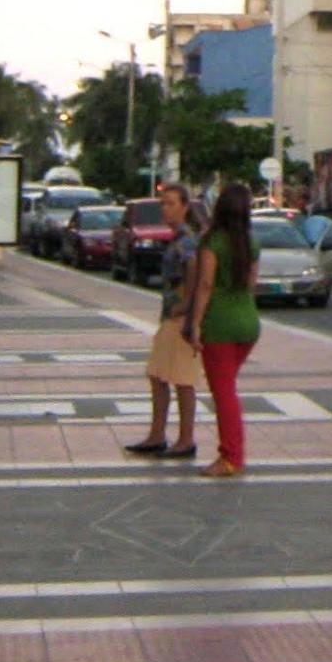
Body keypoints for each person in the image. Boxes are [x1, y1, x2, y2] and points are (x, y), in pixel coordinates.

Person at [185, 180, 259, 478]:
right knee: (228, 389)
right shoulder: (252, 242)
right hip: (248, 322)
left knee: (224, 393)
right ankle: (233, 453)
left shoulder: (213, 242)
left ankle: (230, 457)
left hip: (220, 325)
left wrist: (194, 324)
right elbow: (252, 284)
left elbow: (205, 285)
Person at [125, 184, 200, 462]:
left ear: (184, 206)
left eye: (170, 203)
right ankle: (157, 434)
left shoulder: (187, 239)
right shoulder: (176, 238)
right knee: (157, 375)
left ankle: (186, 438)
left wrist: (187, 306)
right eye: (163, 204)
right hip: (169, 316)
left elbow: (194, 269)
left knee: (182, 379)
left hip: (178, 318)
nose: (165, 208)